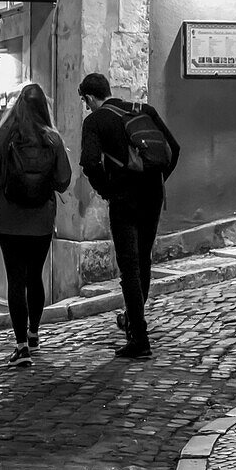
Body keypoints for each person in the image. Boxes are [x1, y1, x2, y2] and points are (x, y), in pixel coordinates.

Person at [79, 72, 180, 360]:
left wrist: (107, 190)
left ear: (89, 97)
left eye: (86, 102)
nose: (87, 107)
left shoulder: (95, 121)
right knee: (143, 259)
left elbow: (89, 162)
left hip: (124, 198)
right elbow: (174, 149)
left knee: (129, 267)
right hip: (152, 195)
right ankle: (134, 321)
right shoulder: (143, 110)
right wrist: (157, 180)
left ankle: (139, 337)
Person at [0, 83, 72, 368]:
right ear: (44, 107)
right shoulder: (52, 139)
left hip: (10, 220)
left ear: (18, 106)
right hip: (42, 221)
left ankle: (20, 347)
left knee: (15, 280)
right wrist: (46, 183)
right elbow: (64, 180)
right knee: (35, 277)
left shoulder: (2, 137)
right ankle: (33, 334)